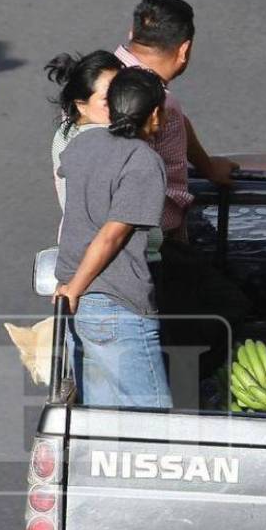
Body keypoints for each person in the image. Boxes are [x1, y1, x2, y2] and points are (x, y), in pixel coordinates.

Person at [114, 0, 252, 377]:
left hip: (121, 244)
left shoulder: (103, 82)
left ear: (131, 32)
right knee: (226, 311)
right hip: (149, 248)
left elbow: (178, 120)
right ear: (184, 50)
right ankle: (189, 391)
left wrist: (207, 166)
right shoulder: (154, 104)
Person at [52, 67, 170, 408]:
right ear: (155, 113)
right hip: (117, 306)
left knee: (100, 422)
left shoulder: (83, 144)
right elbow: (111, 236)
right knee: (151, 422)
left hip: (79, 310)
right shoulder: (143, 161)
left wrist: (71, 290)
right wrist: (75, 288)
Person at [45, 50, 123, 212]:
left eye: (122, 93)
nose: (121, 103)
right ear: (81, 105)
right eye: (107, 100)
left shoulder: (67, 131)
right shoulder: (98, 146)